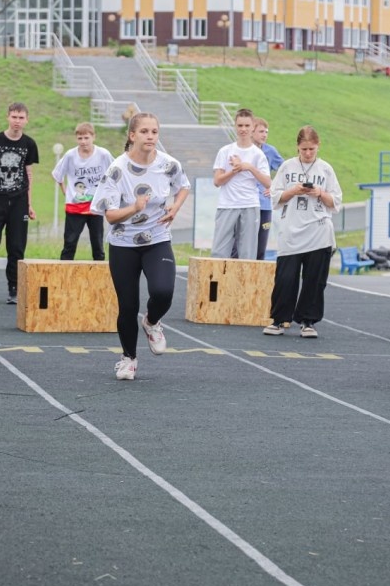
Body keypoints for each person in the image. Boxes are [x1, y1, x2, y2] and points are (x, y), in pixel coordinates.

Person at [91, 112, 190, 381]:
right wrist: (133, 207)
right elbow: (109, 215)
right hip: (123, 243)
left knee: (163, 291)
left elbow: (183, 186)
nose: (150, 136)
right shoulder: (117, 169)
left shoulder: (168, 164)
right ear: (132, 135)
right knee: (127, 304)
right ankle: (128, 358)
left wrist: (175, 207)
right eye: (144, 131)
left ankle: (152, 322)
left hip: (157, 238)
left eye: (154, 132)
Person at [262, 126, 342, 339]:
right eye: (304, 149)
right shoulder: (287, 167)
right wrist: (294, 191)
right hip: (291, 230)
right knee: (286, 278)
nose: (308, 153)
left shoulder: (325, 169)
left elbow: (336, 201)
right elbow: (275, 197)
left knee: (314, 280)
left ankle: (308, 321)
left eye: (312, 149)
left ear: (318, 147)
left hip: (319, 231)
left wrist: (319, 192)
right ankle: (279, 319)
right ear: (297, 146)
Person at [0, 102, 38, 303]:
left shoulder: (29, 144)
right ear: (8, 117)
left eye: (21, 118)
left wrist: (28, 203)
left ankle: (14, 286)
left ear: (26, 120)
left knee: (16, 246)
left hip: (19, 199)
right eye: (14, 117)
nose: (17, 121)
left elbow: (28, 173)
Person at [211, 108, 270, 259]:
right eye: (240, 125)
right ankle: (219, 282)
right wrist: (235, 170)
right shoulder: (225, 151)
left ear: (252, 128)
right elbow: (217, 181)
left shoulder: (258, 154)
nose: (243, 129)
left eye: (247, 126)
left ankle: (244, 283)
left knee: (247, 252)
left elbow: (267, 182)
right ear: (235, 126)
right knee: (220, 251)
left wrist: (249, 167)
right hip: (227, 205)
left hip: (250, 205)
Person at [52, 122, 113, 260]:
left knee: (98, 245)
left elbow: (114, 174)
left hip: (95, 207)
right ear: (76, 139)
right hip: (75, 207)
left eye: (86, 138)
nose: (83, 142)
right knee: (69, 243)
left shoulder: (103, 154)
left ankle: (99, 279)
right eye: (80, 138)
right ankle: (64, 277)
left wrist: (108, 195)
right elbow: (58, 175)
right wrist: (65, 192)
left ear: (93, 137)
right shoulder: (70, 155)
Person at [251, 116, 283, 259]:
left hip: (264, 205)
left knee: (260, 248)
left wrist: (275, 188)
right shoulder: (242, 150)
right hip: (247, 204)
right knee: (241, 246)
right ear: (252, 132)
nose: (264, 135)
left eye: (266, 132)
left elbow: (286, 171)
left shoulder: (270, 151)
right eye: (261, 131)